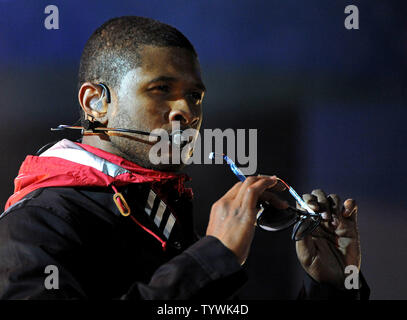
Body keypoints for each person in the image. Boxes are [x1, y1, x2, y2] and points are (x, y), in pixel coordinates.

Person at [0, 16, 369, 299]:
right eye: (161, 89)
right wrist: (212, 259)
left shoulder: (171, 225)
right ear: (96, 103)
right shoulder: (36, 225)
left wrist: (333, 289)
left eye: (194, 96)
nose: (185, 112)